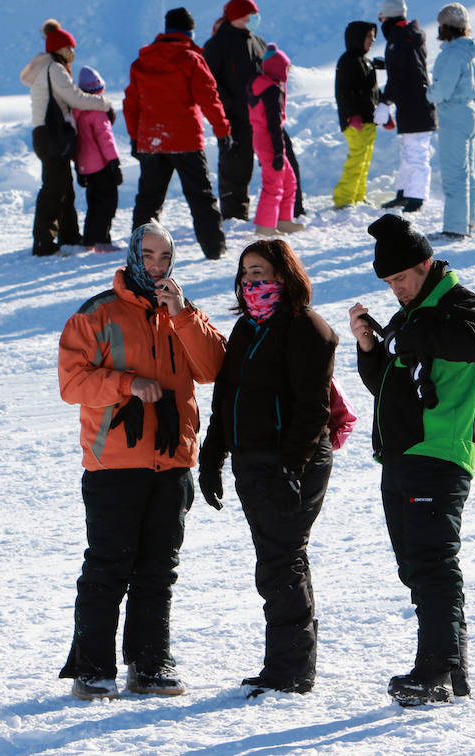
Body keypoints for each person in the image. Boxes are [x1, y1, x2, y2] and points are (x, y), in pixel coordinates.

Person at [56, 222, 227, 700]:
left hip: (173, 460)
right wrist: (127, 384)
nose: (156, 266)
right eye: (148, 255)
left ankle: (150, 664)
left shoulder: (184, 310)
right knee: (108, 565)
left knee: (158, 568)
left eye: (165, 258)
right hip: (114, 463)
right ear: (133, 255)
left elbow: (214, 368)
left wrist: (184, 315)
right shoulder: (96, 314)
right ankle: (93, 669)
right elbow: (72, 384)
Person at [347, 214, 475, 706]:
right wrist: (370, 348)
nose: (396, 290)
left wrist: (409, 332)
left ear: (426, 264)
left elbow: (469, 342)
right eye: (388, 283)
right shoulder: (411, 316)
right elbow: (390, 388)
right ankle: (452, 668)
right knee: (417, 567)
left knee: (432, 563)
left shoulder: (457, 304)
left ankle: (434, 670)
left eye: (401, 278)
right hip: (402, 455)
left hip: (439, 453)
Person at [198, 239, 338, 697]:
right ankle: (289, 664)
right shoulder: (246, 330)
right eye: (245, 273)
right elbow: (226, 398)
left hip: (289, 460)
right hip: (252, 461)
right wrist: (212, 455)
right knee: (279, 559)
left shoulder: (306, 328)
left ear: (284, 276)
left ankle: (291, 669)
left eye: (260, 272)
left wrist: (290, 466)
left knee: (281, 560)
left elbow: (312, 409)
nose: (251, 281)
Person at [125, 8, 231, 261]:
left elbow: (131, 105)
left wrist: (135, 139)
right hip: (185, 140)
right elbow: (209, 97)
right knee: (201, 197)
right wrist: (221, 129)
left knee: (148, 201)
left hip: (151, 141)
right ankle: (214, 249)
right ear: (189, 31)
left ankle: (140, 252)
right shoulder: (190, 59)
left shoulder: (141, 62)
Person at [21, 19, 112, 255]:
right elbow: (74, 98)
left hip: (47, 134)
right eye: (69, 48)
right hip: (52, 134)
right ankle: (43, 241)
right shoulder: (55, 69)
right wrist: (103, 104)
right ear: (61, 49)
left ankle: (69, 236)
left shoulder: (47, 68)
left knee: (63, 186)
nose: (72, 53)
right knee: (54, 187)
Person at [203, 0, 268, 221]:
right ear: (237, 16)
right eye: (250, 15)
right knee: (234, 166)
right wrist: (227, 107)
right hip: (234, 117)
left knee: (259, 163)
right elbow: (209, 81)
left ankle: (287, 209)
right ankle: (233, 215)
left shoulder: (258, 41)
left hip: (260, 114)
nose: (254, 19)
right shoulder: (217, 44)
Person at [425, 3, 475, 239]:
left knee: (454, 174)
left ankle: (455, 228)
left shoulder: (452, 54)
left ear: (448, 26)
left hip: (454, 115)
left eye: (440, 25)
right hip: (471, 112)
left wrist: (430, 93)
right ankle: (469, 220)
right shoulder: (474, 50)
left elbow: (443, 90)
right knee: (468, 172)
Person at [377, 0, 437, 213]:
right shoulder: (405, 36)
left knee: (417, 151)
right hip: (412, 103)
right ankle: (405, 192)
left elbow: (400, 76)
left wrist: (385, 102)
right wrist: (388, 64)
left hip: (416, 104)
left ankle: (417, 196)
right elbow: (407, 68)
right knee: (408, 150)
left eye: (381, 18)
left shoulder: (401, 39)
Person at [247, 45, 306, 237]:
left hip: (263, 138)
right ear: (277, 67)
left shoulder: (260, 84)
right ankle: (265, 226)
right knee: (273, 183)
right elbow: (273, 123)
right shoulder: (271, 90)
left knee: (289, 179)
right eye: (285, 67)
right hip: (269, 140)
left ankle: (283, 220)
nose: (287, 71)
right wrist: (279, 151)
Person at [332, 20, 382, 209]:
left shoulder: (366, 62)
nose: (373, 40)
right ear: (358, 38)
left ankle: (358, 196)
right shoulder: (348, 61)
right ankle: (344, 198)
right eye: (369, 36)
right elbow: (344, 92)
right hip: (356, 121)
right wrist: (352, 115)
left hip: (369, 119)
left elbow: (372, 90)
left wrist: (384, 111)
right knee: (356, 159)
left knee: (364, 160)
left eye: (373, 36)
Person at [73, 66, 123, 249]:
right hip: (101, 165)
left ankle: (90, 239)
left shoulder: (76, 113)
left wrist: (79, 168)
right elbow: (105, 139)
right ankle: (102, 240)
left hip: (86, 166)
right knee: (108, 203)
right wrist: (114, 162)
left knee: (93, 203)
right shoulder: (98, 111)